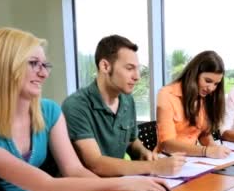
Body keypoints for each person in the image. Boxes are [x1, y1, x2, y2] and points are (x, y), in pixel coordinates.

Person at [0, 28, 170, 191]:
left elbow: (74, 170)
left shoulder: (49, 112)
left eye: (45, 65)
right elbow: (47, 186)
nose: (44, 73)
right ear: (3, 68)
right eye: (33, 63)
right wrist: (121, 185)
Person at [62, 35, 185, 177]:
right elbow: (95, 164)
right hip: (87, 190)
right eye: (129, 68)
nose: (137, 76)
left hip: (121, 184)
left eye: (137, 69)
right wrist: (154, 166)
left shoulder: (128, 101)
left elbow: (131, 140)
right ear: (105, 66)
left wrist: (143, 152)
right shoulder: (75, 106)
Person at [155, 51, 231, 158]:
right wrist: (206, 151)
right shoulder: (166, 94)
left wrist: (214, 148)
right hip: (167, 160)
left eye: (216, 84)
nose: (211, 89)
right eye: (207, 81)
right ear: (194, 74)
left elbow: (204, 133)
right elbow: (167, 144)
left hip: (192, 160)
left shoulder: (204, 97)